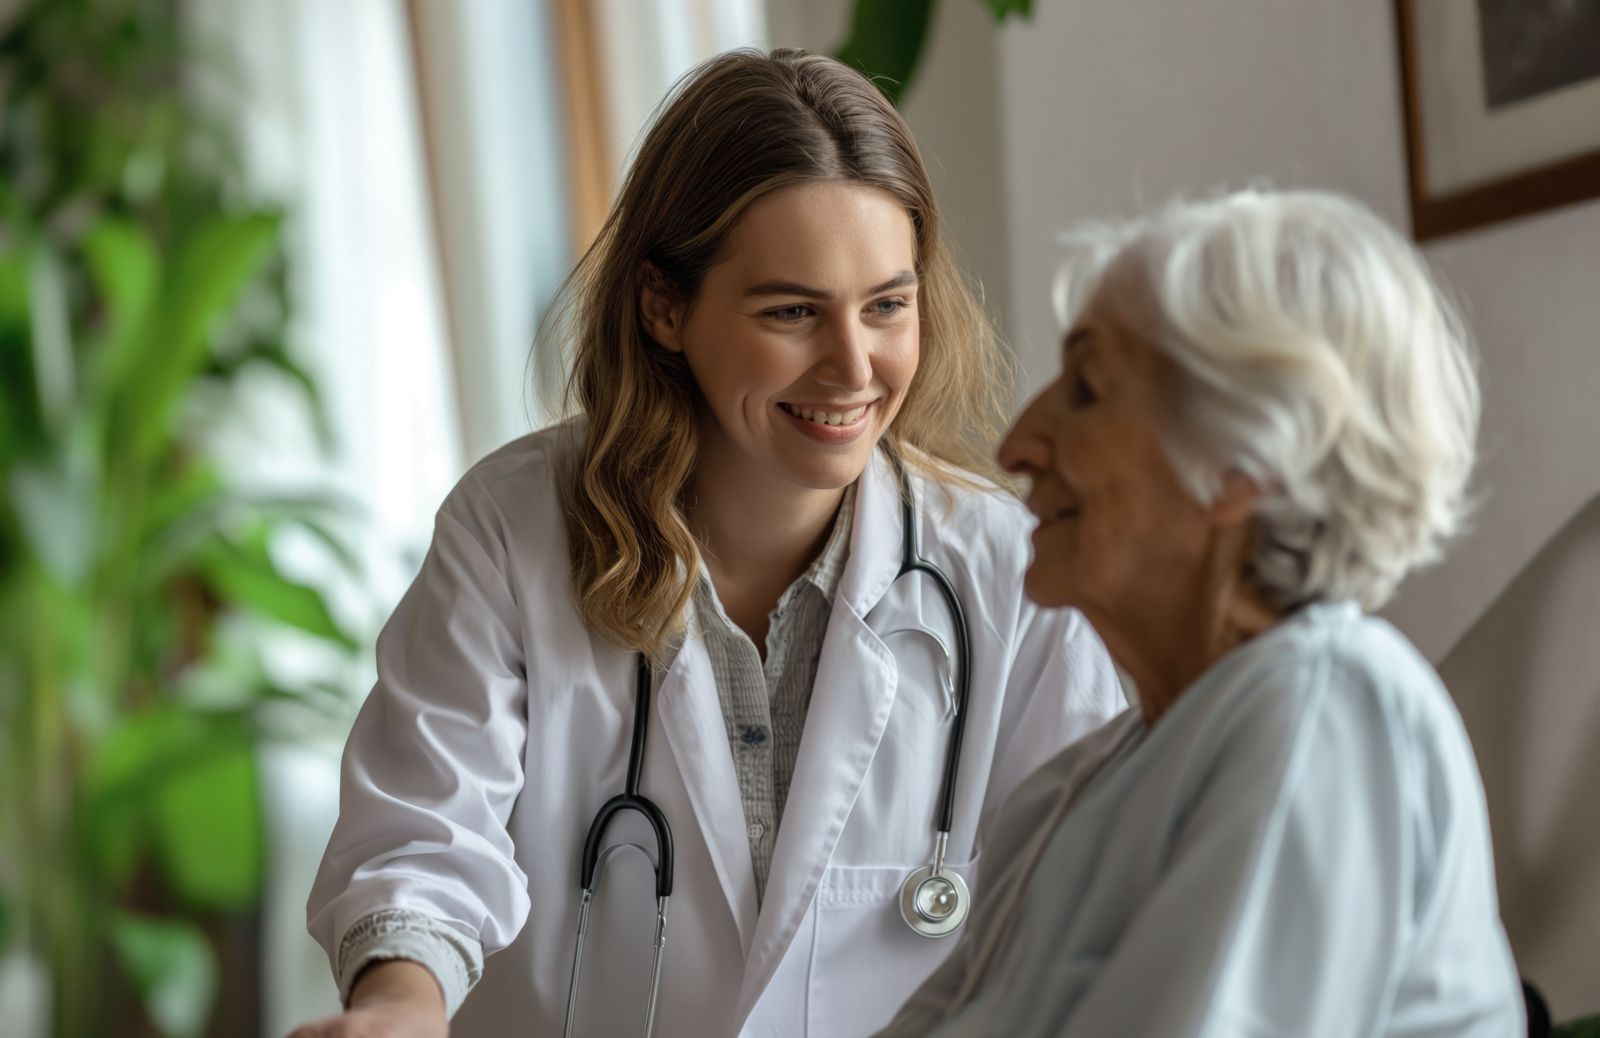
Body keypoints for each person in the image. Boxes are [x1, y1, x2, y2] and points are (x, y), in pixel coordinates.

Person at [291, 48, 1122, 1038]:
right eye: (792, 312)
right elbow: (428, 830)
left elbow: (1089, 895)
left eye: (887, 305)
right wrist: (398, 1004)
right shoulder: (512, 533)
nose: (854, 367)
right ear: (664, 307)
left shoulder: (1006, 572)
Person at [876, 188, 1525, 1037]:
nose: (1017, 445)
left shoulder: (1324, 705)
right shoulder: (1080, 787)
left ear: (1242, 465)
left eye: (1086, 391)